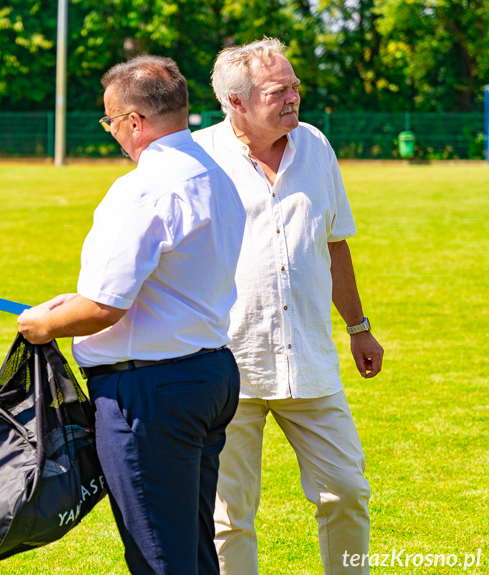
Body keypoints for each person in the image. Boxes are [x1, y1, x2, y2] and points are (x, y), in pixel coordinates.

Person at [18, 55, 246, 574]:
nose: (113, 135)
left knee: (157, 555)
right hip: (205, 374)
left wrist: (42, 324)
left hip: (149, 391)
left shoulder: (143, 187)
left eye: (111, 122)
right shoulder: (216, 172)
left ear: (135, 122)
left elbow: (104, 305)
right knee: (191, 544)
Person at [192, 38, 384, 575]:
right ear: (236, 102)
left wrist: (359, 327)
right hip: (229, 364)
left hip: (310, 360)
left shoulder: (316, 146)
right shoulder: (199, 157)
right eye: (280, 91)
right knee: (229, 517)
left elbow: (334, 241)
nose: (294, 97)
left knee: (346, 490)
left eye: (295, 85)